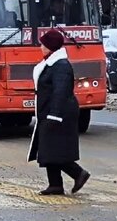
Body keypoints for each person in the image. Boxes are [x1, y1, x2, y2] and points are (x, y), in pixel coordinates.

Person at [28, 30, 91, 195]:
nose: (41, 47)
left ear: (50, 47)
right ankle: (55, 185)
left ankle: (79, 174)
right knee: (48, 148)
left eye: (43, 44)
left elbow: (60, 92)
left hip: (59, 113)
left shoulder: (61, 66)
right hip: (49, 111)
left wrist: (54, 115)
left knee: (54, 148)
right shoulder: (51, 64)